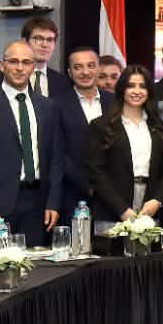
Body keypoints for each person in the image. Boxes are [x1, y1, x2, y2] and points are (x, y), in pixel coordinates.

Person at [0, 41, 64, 245]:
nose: (20, 68)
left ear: (33, 67)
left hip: (38, 206)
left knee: (37, 264)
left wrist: (54, 202)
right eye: (13, 62)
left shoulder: (48, 107)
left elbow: (56, 159)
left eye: (26, 62)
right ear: (2, 66)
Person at [88, 66, 163, 229]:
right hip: (112, 211)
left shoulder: (157, 125)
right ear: (122, 89)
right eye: (131, 85)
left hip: (149, 211)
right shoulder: (101, 125)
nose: (137, 91)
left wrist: (158, 200)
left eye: (142, 86)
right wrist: (122, 210)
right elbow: (96, 172)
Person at [53, 47, 113, 221]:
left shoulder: (115, 102)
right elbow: (58, 153)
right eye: (78, 67)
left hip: (113, 195)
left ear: (98, 68)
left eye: (90, 65)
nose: (85, 72)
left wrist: (107, 187)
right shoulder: (56, 105)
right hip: (73, 194)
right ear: (70, 73)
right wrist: (88, 185)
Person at [0, 16, 72, 97]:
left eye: (49, 40)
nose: (44, 45)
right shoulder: (4, 76)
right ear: (25, 41)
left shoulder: (63, 81)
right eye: (38, 39)